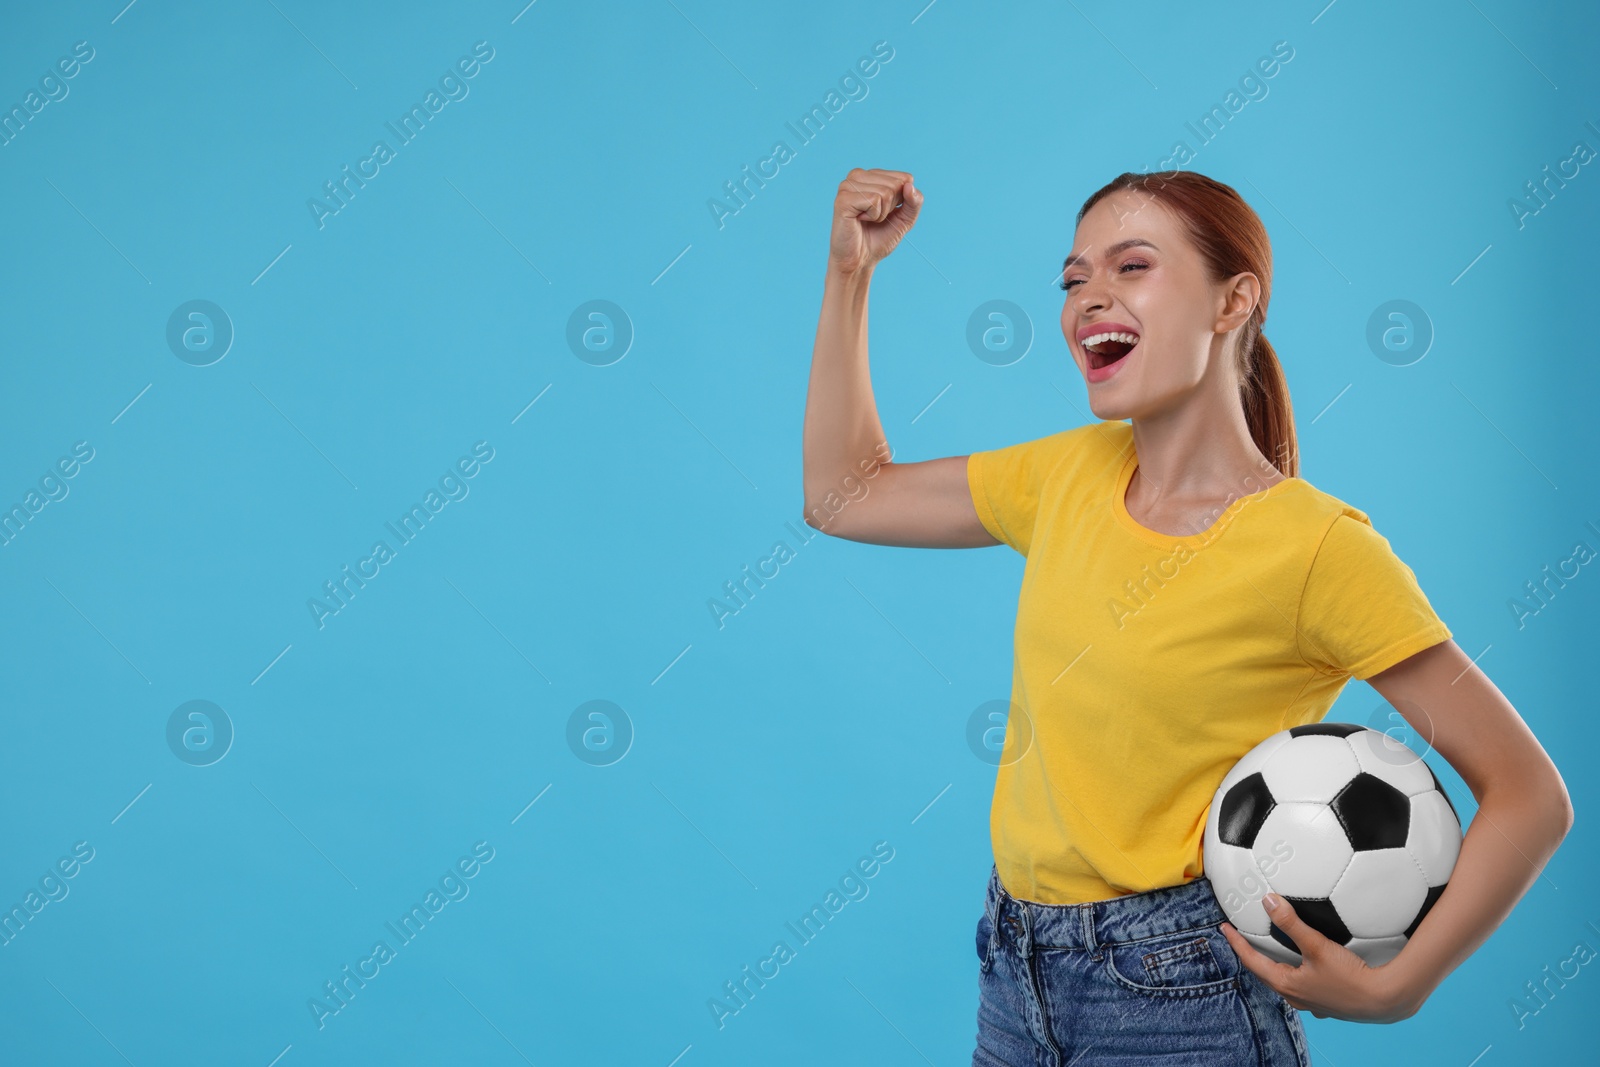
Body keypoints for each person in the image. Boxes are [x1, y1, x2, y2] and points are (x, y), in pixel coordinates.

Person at [800, 167, 1573, 1065]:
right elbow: (841, 495)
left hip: (1182, 993)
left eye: (1131, 266)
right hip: (1015, 966)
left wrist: (1400, 985)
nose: (1090, 297)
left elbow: (1530, 793)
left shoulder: (1315, 548)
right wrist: (849, 273)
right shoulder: (1065, 475)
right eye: (1073, 278)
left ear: (1232, 300)